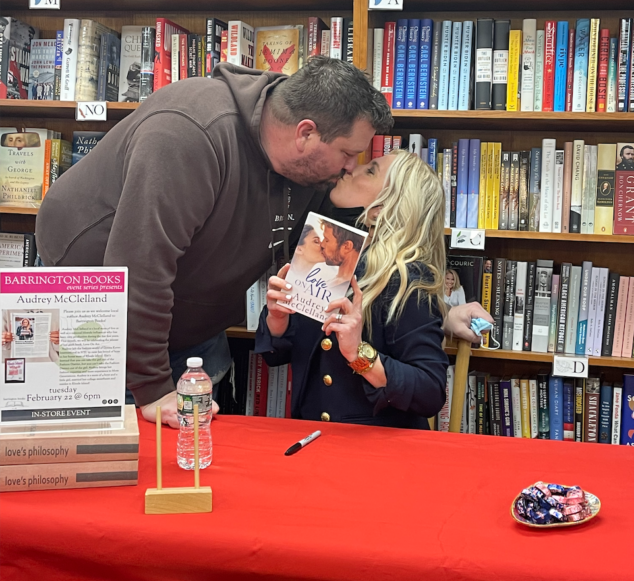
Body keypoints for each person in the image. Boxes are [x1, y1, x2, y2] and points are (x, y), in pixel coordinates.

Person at [35, 56, 393, 428]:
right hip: (100, 315)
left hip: (193, 323)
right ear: (305, 133)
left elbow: (335, 250)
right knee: (123, 463)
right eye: (348, 154)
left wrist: (436, 311)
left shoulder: (309, 170)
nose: (351, 167)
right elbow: (138, 270)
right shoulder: (188, 133)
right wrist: (154, 388)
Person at [255, 150, 492, 429]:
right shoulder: (325, 251)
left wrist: (360, 354)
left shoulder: (407, 279)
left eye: (370, 171)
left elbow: (430, 392)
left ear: (382, 207)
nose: (351, 169)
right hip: (313, 441)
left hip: (378, 454)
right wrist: (278, 319)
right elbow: (277, 355)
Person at [318, 219, 364, 294]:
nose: (322, 245)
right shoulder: (329, 283)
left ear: (347, 246)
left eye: (326, 240)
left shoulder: (359, 287)